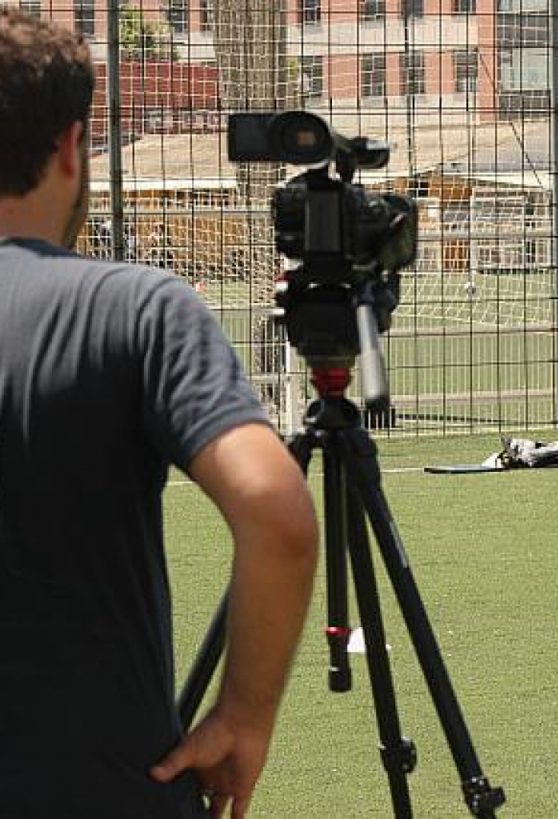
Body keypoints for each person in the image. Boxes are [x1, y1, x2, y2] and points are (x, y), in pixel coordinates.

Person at [0, 9, 319, 817]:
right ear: (73, 145)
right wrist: (245, 715)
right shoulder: (137, 310)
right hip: (105, 791)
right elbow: (276, 510)